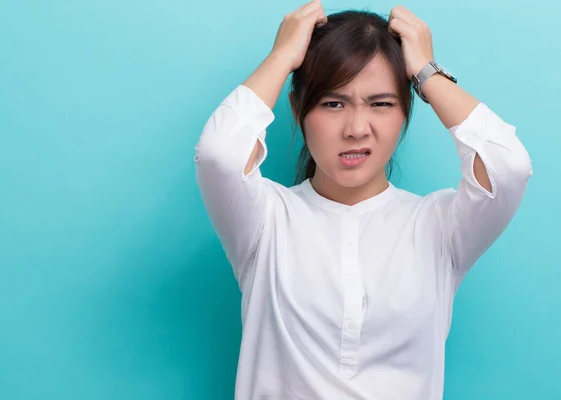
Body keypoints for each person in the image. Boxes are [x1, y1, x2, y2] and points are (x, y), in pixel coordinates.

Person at [194, 1, 532, 399]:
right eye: (333, 103)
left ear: (406, 111)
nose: (357, 129)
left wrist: (427, 73)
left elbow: (507, 167)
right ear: (298, 109)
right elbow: (220, 155)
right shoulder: (266, 220)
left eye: (381, 104)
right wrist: (283, 56)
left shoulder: (438, 228)